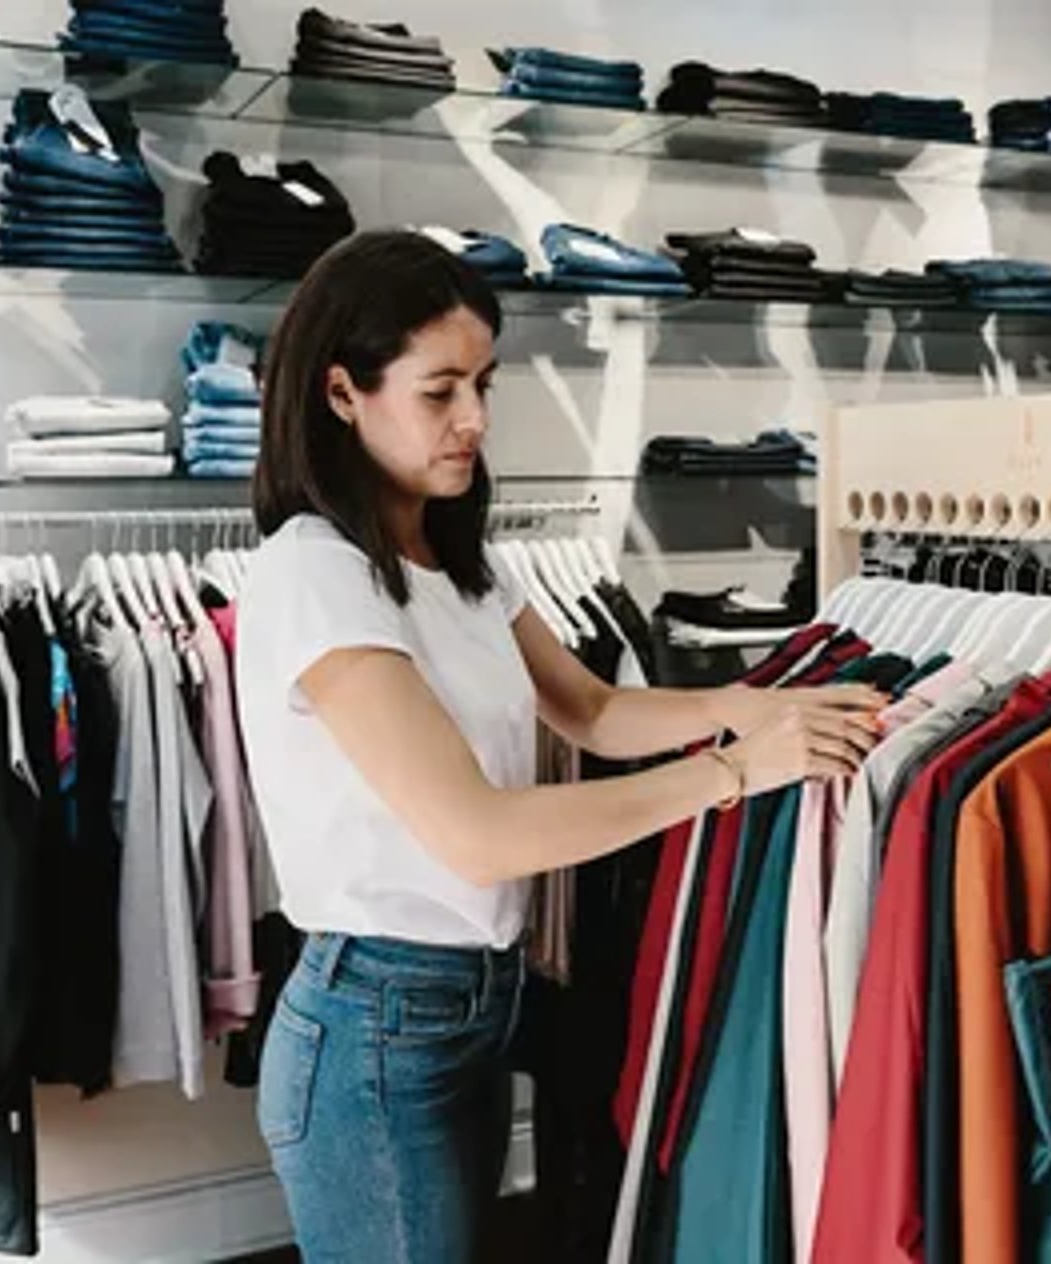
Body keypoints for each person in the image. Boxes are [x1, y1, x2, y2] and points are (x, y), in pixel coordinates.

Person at [234, 230, 881, 1262]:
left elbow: (590, 708)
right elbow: (478, 834)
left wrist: (752, 706)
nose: (476, 420)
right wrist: (731, 772)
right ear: (343, 392)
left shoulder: (456, 558)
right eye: (440, 391)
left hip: (470, 1002)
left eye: (483, 383)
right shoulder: (316, 575)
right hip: (375, 1025)